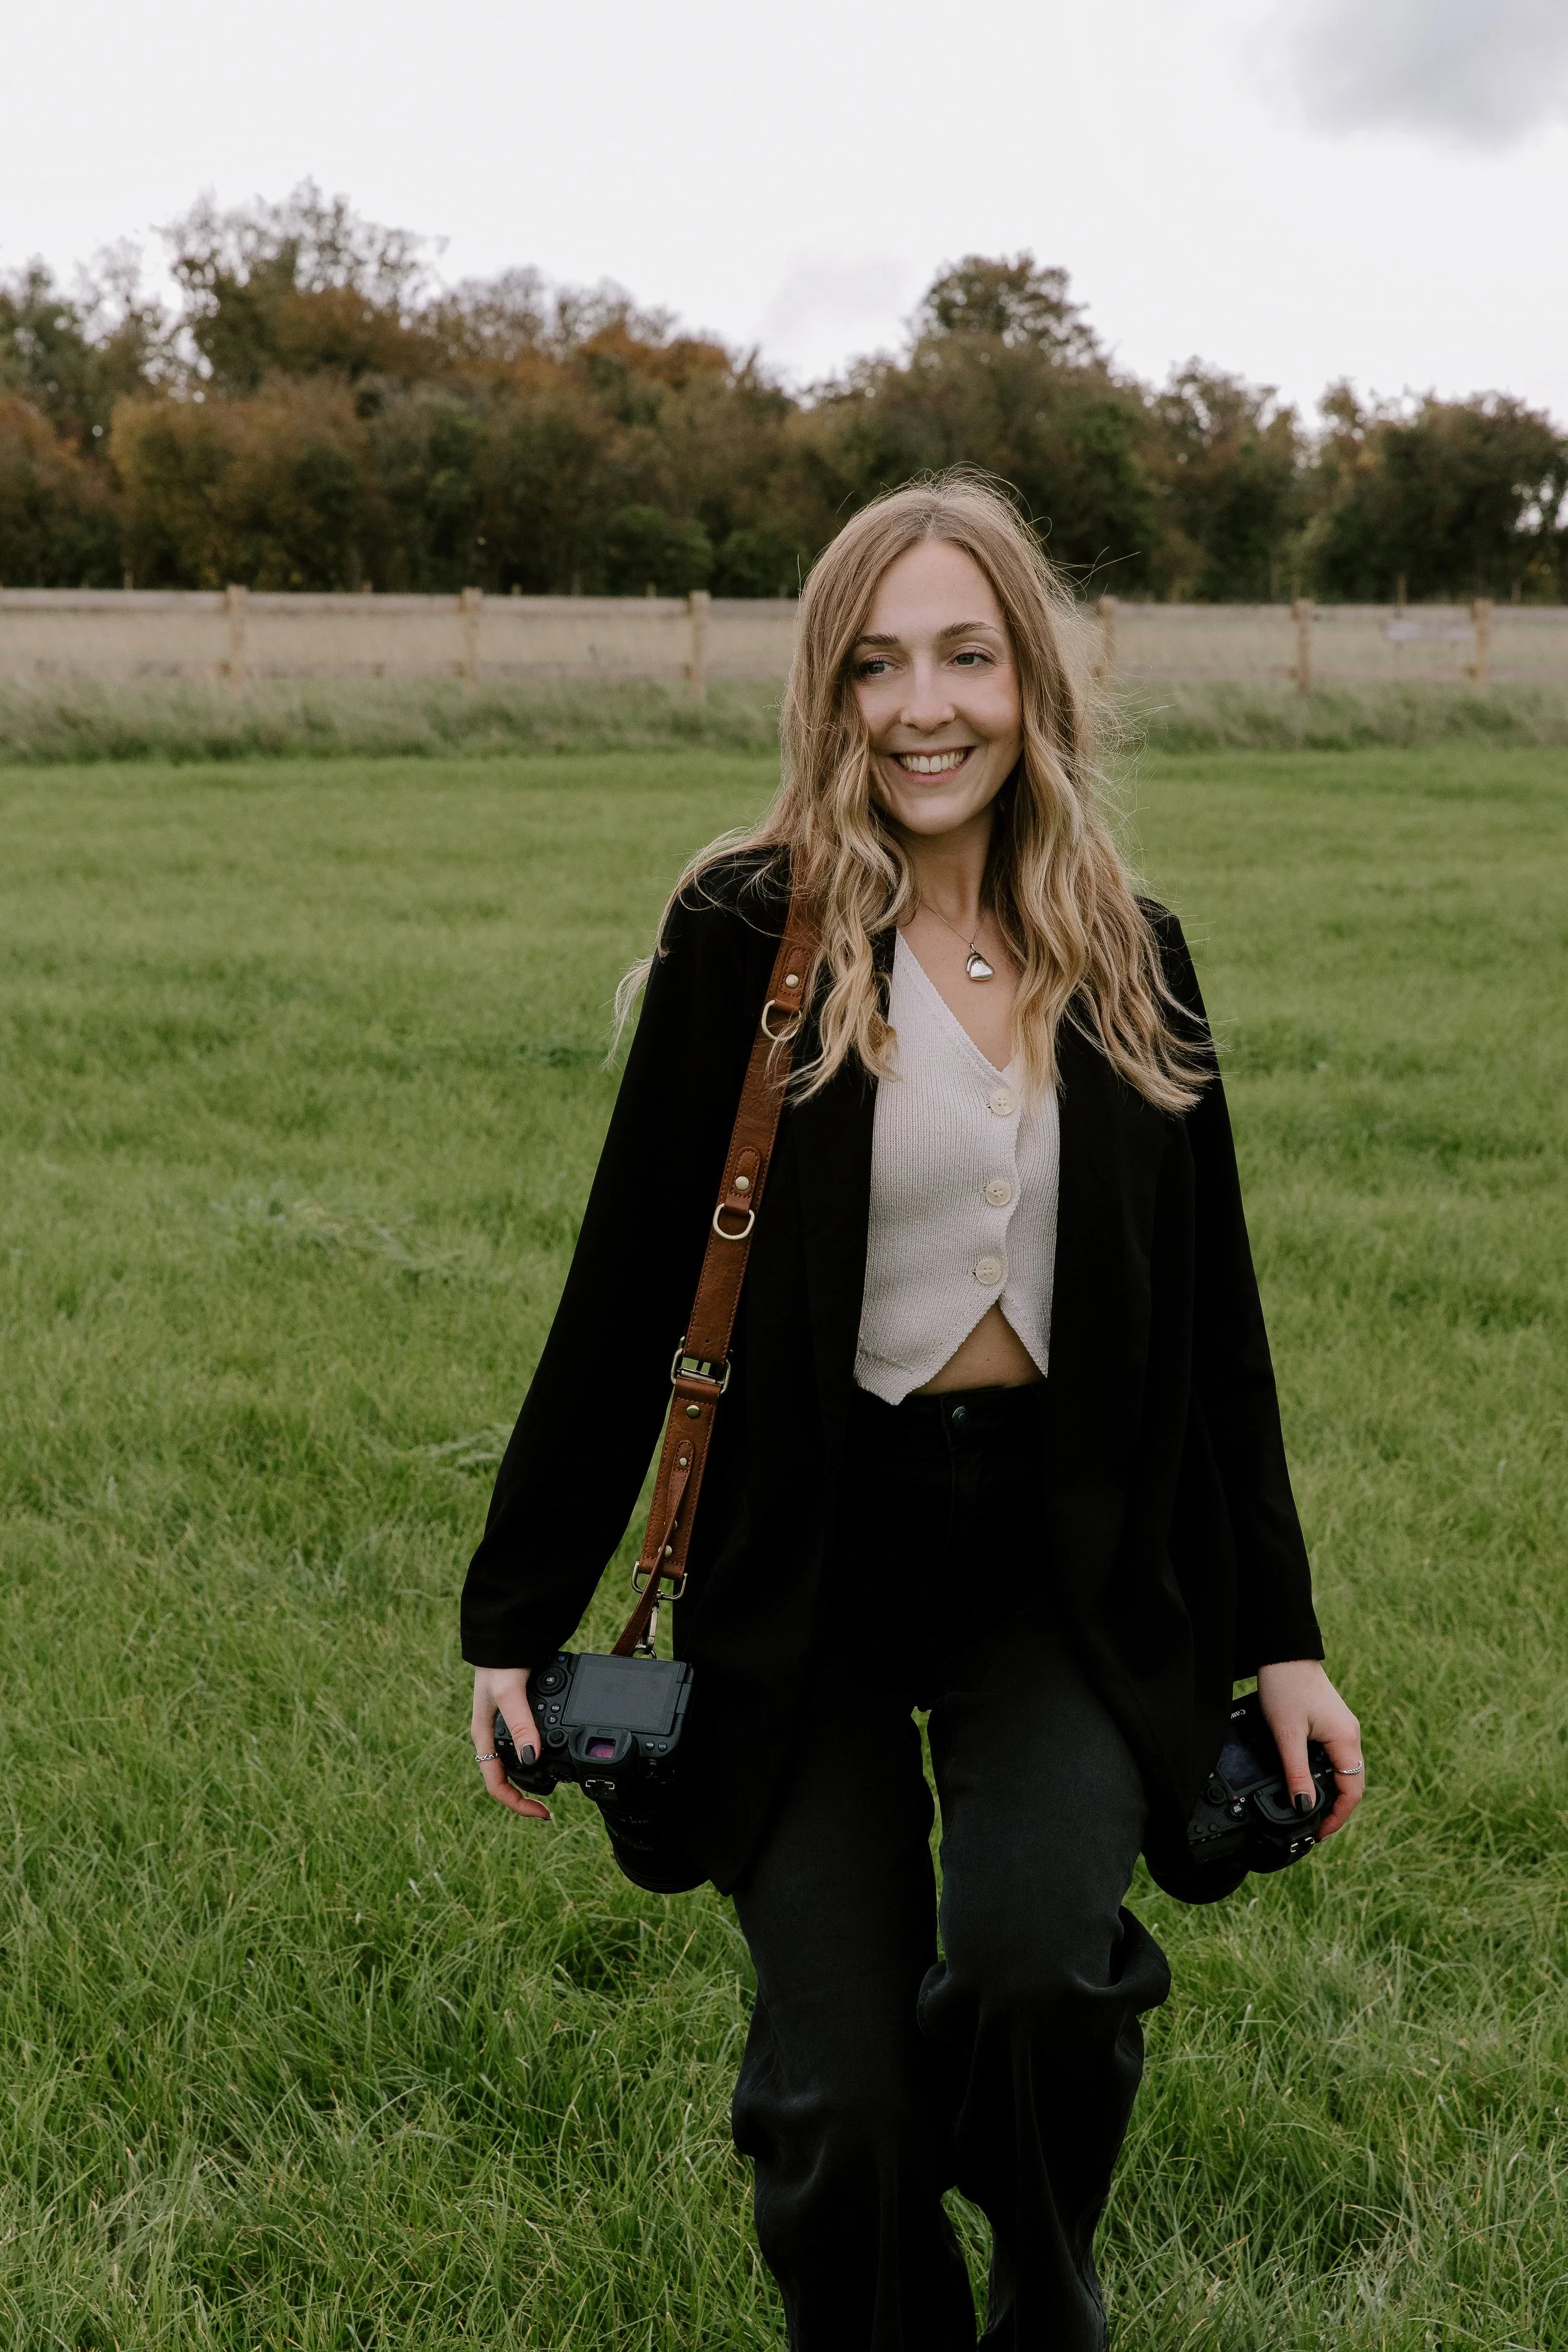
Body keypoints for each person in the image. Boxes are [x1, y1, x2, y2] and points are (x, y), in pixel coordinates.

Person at [461, 473, 1364, 2350]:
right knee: (845, 2100)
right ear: (827, 691)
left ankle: (1043, 2295)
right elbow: (625, 1289)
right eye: (876, 665)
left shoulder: (1129, 951)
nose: (923, 707)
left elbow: (1216, 1331)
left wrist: (1281, 1640)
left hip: (1058, 1562)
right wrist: (514, 1614)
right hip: (815, 1565)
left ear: (1035, 681)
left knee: (1039, 1978)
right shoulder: (750, 935)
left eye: (966, 656)